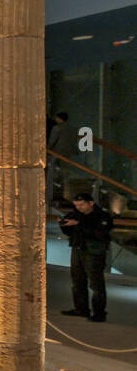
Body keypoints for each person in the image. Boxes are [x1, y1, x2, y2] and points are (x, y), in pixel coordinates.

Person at [60, 191, 112, 323]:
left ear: (91, 203)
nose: (79, 207)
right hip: (78, 249)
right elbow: (69, 231)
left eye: (82, 205)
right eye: (76, 205)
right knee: (77, 281)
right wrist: (64, 224)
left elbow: (99, 233)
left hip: (94, 252)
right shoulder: (76, 214)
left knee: (96, 284)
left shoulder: (102, 216)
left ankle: (99, 313)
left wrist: (78, 224)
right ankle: (81, 309)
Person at [46, 111, 70, 201]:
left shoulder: (56, 128)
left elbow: (52, 141)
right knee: (64, 172)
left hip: (56, 152)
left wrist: (48, 149)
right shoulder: (71, 128)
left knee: (52, 171)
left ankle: (54, 193)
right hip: (67, 152)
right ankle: (65, 192)